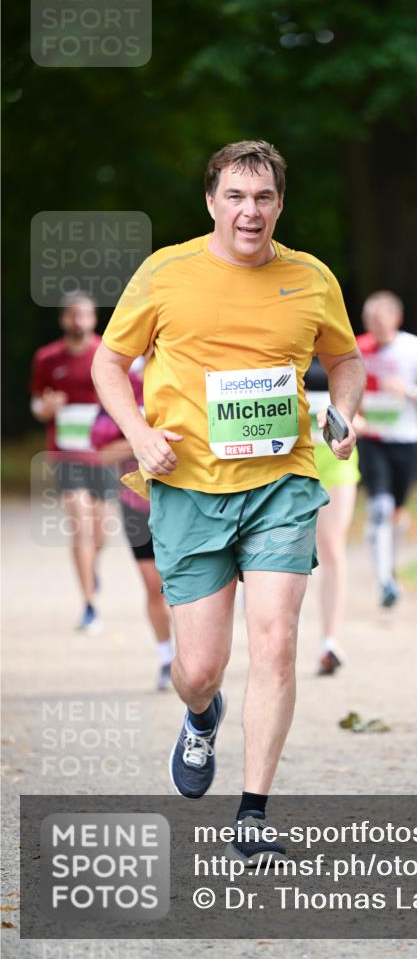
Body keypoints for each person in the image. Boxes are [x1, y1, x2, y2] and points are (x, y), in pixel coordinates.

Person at [92, 139, 365, 863]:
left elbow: (345, 358)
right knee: (199, 669)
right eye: (236, 197)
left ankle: (252, 813)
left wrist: (342, 411)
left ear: (281, 203)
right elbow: (109, 362)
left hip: (282, 482)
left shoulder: (309, 277)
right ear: (212, 201)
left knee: (275, 642)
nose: (251, 211)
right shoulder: (166, 272)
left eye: (264, 197)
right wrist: (138, 432)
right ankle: (200, 714)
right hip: (186, 486)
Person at [30, 291, 117, 632]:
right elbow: (37, 406)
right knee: (79, 523)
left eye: (86, 316)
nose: (79, 321)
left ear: (93, 319)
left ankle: (91, 567)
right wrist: (47, 408)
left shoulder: (106, 354)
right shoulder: (47, 358)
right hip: (66, 454)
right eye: (73, 316)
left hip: (103, 454)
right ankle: (89, 604)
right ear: (64, 319)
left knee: (99, 533)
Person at [357, 291, 417, 607]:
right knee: (379, 507)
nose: (375, 330)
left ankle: (391, 568)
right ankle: (384, 581)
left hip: (407, 440)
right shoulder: (358, 348)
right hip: (372, 440)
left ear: (396, 319)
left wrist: (408, 390)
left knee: (397, 512)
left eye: (380, 324)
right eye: (370, 323)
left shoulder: (414, 349)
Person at [90, 361, 174, 691]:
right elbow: (102, 455)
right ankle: (167, 656)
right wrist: (142, 440)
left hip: (188, 503)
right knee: (154, 586)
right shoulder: (120, 384)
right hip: (137, 505)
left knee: (188, 586)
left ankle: (194, 655)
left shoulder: (187, 371)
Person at [304, 358, 361, 675]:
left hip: (336, 462)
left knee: (331, 547)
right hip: (293, 460)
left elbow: (359, 411)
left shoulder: (344, 351)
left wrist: (349, 422)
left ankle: (331, 640)